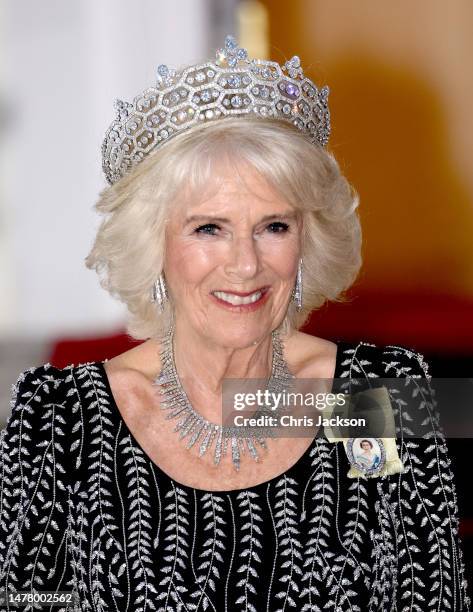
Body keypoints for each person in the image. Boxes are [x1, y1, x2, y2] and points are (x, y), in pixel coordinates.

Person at [0, 36, 470, 612]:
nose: (246, 265)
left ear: (308, 239)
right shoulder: (61, 416)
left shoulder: (372, 395)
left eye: (274, 226)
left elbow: (429, 596)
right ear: (155, 248)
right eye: (208, 229)